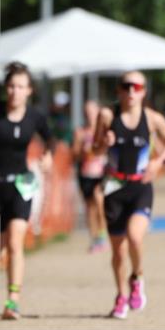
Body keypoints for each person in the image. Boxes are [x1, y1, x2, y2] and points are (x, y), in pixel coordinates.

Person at [0, 61, 53, 320]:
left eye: (21, 86)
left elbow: (51, 140)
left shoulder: (35, 117)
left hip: (21, 186)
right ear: (7, 88)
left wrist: (48, 156)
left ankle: (12, 300)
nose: (16, 91)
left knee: (16, 242)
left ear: (29, 91)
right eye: (12, 86)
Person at [92, 71, 165, 319]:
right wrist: (104, 144)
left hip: (140, 186)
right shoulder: (107, 115)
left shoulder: (151, 119)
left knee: (135, 238)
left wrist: (159, 161)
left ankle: (137, 277)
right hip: (114, 188)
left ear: (143, 91)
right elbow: (94, 150)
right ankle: (121, 296)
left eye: (136, 86)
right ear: (118, 90)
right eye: (126, 86)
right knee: (118, 252)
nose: (131, 91)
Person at [73, 100, 107, 252]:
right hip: (85, 173)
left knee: (99, 200)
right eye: (87, 112)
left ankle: (102, 235)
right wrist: (82, 151)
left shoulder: (105, 131)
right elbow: (74, 155)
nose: (90, 115)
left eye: (92, 111)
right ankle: (94, 238)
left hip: (102, 174)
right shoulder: (80, 132)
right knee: (89, 207)